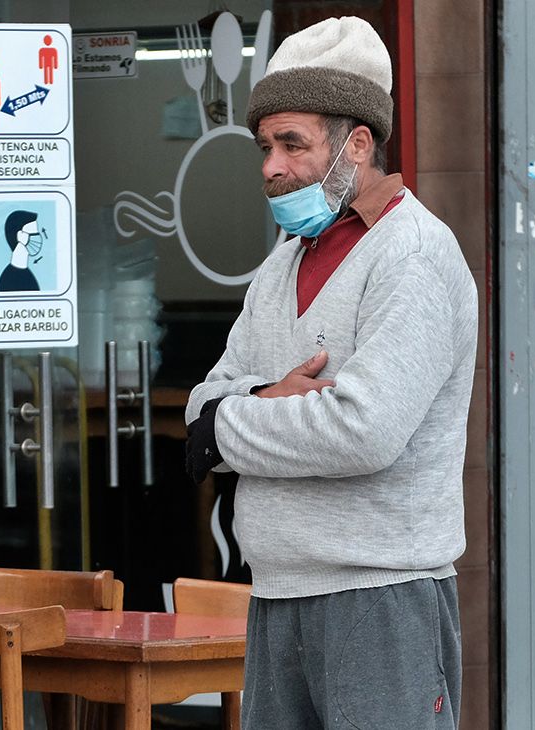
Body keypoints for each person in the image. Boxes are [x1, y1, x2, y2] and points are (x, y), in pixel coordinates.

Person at [183, 16, 476, 729]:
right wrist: (253, 403)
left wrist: (230, 423)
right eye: (264, 146)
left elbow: (363, 432)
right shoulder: (279, 266)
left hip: (383, 600)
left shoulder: (415, 256)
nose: (270, 166)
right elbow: (199, 411)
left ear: (357, 145)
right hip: (278, 594)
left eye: (292, 144)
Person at [0, 210, 44, 292]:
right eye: (33, 233)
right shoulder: (8, 280)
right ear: (20, 236)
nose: (37, 237)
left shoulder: (28, 276)